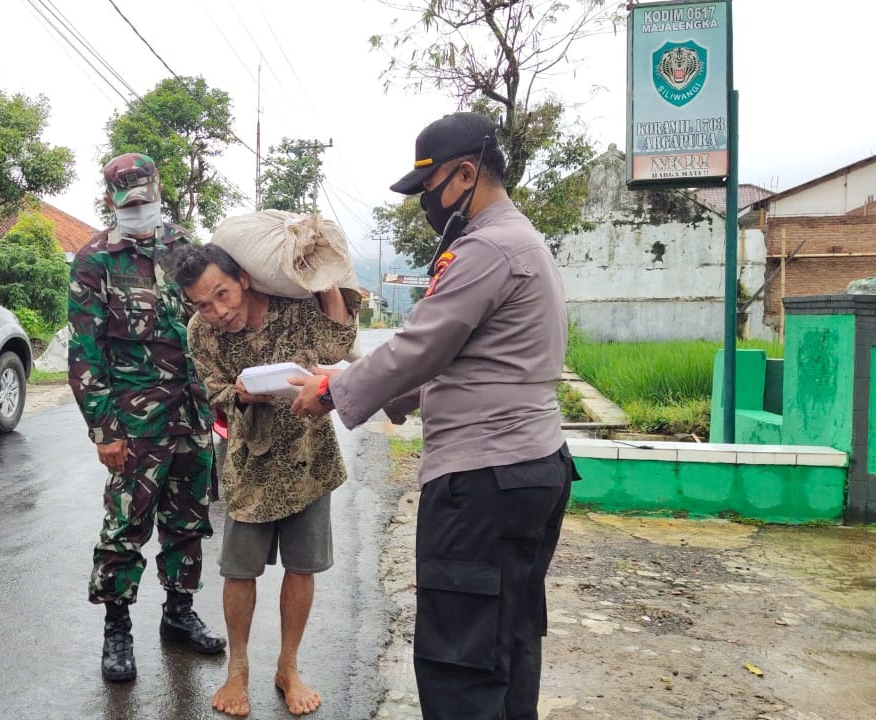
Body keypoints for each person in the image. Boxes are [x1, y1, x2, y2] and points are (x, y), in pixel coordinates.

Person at [287, 112, 578, 720]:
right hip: (531, 468)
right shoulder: (523, 241)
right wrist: (349, 384)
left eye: (429, 189)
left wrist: (328, 396)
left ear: (467, 174)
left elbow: (420, 344)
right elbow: (463, 359)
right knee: (507, 639)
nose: (425, 205)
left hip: (485, 481)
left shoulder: (487, 248)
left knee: (460, 659)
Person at [175, 238, 358, 717]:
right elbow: (212, 388)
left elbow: (337, 344)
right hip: (249, 464)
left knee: (303, 567)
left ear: (243, 280)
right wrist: (238, 393)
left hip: (308, 457)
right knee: (239, 571)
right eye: (202, 303)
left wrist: (326, 281)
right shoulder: (200, 332)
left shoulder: (291, 307)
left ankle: (288, 667)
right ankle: (237, 669)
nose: (217, 311)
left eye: (222, 294)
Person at [67, 153, 226, 683]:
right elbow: (84, 353)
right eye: (128, 202)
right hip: (135, 424)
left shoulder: (186, 248)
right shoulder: (95, 261)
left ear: (160, 189)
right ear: (111, 200)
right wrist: (103, 430)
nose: (140, 209)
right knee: (125, 526)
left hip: (193, 414)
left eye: (146, 198)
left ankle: (178, 615)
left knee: (187, 522)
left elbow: (215, 319)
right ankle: (117, 632)